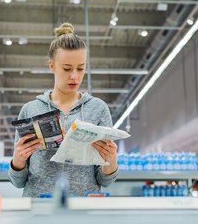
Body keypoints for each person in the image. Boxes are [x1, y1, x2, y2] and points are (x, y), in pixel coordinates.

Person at [8, 22, 119, 197]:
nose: (75, 76)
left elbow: (105, 181)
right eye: (67, 68)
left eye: (81, 68)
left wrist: (111, 159)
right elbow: (18, 182)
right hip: (39, 211)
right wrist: (18, 160)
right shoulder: (31, 110)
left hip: (82, 210)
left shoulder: (98, 109)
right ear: (51, 65)